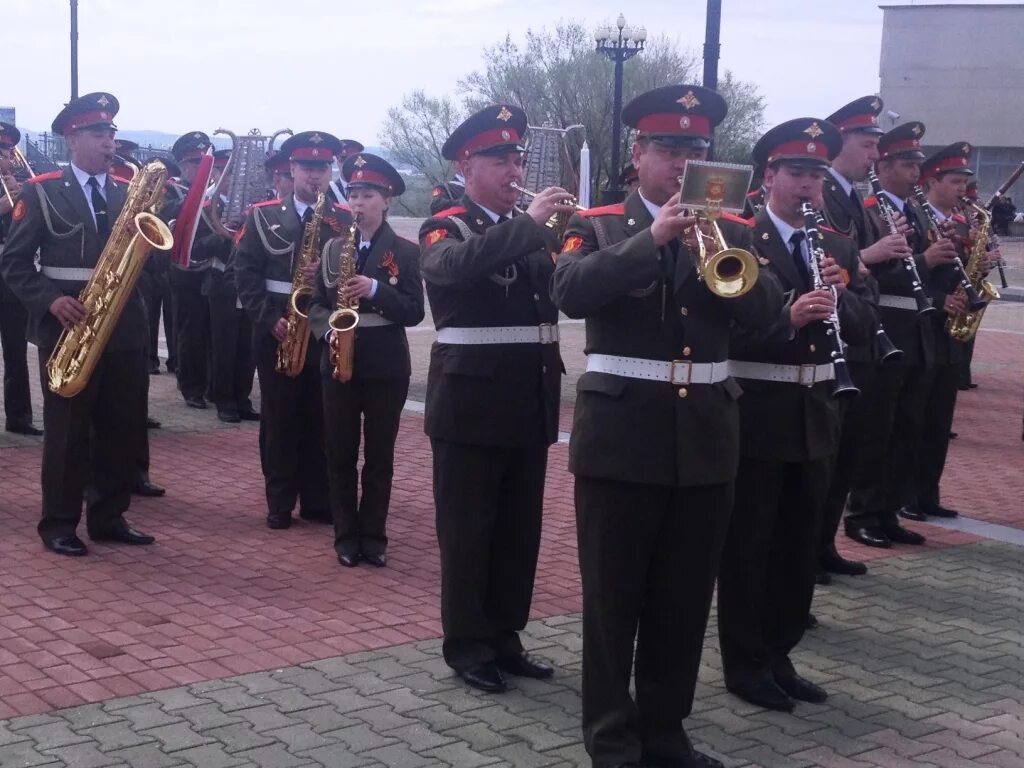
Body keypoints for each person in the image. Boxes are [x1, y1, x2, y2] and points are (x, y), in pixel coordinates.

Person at [552, 85, 784, 768]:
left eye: (695, 150)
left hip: (707, 436)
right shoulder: (598, 223)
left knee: (683, 601)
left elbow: (767, 315)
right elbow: (568, 291)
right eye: (669, 150)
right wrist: (652, 241)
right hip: (622, 436)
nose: (683, 163)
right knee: (613, 602)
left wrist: (723, 272)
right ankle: (611, 738)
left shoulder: (735, 230)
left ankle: (665, 731)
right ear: (639, 154)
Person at [717, 118, 875, 713]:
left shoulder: (835, 244)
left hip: (816, 413)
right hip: (757, 414)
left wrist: (840, 298)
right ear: (770, 177)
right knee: (749, 548)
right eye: (797, 173)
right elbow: (729, 327)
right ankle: (745, 663)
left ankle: (780, 654)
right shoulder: (740, 238)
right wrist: (789, 315)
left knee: (798, 545)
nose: (808, 185)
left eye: (815, 173)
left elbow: (864, 326)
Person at [419, 104, 570, 695]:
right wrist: (527, 225)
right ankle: (467, 645)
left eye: (516, 158)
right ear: (466, 165)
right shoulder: (447, 223)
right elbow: (451, 270)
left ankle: (507, 637)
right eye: (498, 159)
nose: (513, 169)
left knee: (517, 534)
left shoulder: (529, 230)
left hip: (529, 403)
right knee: (468, 533)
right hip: (470, 407)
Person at [0, 92, 156, 556]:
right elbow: (15, 264)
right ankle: (59, 523)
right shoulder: (42, 190)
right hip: (68, 324)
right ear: (72, 138)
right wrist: (50, 302)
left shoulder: (130, 192)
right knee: (67, 430)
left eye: (110, 134)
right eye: (97, 134)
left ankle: (109, 516)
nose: (109, 143)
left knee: (120, 426)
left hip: (124, 326)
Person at [844, 122, 960, 549]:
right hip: (887, 328)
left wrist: (948, 260)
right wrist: (926, 260)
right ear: (887, 165)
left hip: (918, 331)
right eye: (908, 164)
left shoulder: (912, 212)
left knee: (908, 428)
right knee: (879, 428)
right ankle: (863, 513)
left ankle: (889, 510)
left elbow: (922, 274)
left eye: (917, 165)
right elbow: (875, 275)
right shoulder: (871, 208)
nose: (917, 173)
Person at [308, 153, 424, 568]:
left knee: (379, 455)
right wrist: (328, 331)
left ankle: (374, 536)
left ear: (386, 201)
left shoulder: (406, 253)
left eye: (367, 195)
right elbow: (315, 303)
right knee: (339, 451)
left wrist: (375, 289)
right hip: (338, 357)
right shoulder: (332, 247)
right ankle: (345, 535)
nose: (357, 203)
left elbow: (414, 311)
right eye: (353, 194)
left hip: (385, 362)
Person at [234, 131, 350, 529]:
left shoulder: (344, 219)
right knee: (280, 417)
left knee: (322, 416)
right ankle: (279, 501)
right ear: (292, 169)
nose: (315, 176)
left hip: (321, 328)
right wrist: (268, 319)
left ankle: (318, 500)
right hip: (276, 324)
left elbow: (354, 276)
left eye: (322, 168)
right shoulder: (262, 215)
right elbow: (244, 273)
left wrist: (328, 278)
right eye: (307, 168)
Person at [816, 95, 892, 578]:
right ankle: (810, 546)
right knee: (826, 456)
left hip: (857, 327)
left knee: (846, 452)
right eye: (867, 144)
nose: (874, 156)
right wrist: (876, 252)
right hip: (829, 332)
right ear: (840, 141)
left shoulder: (854, 196)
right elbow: (852, 259)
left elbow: (858, 267)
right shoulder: (827, 191)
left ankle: (822, 543)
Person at [905, 142, 987, 520]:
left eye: (963, 182)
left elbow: (961, 275)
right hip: (923, 326)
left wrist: (980, 265)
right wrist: (940, 301)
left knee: (940, 419)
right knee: (914, 419)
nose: (962, 190)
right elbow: (902, 277)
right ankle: (904, 496)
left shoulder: (959, 223)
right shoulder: (914, 217)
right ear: (932, 181)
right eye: (955, 181)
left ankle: (927, 492)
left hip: (951, 333)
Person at [201, 150, 258, 424]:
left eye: (234, 174)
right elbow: (196, 247)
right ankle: (224, 399)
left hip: (247, 287)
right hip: (222, 284)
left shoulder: (255, 209)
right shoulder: (207, 206)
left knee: (247, 347)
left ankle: (242, 398)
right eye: (226, 174)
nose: (231, 180)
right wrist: (225, 235)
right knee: (224, 346)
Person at [163, 131, 214, 408]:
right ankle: (192, 386)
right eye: (195, 163)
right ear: (182, 166)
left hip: (213, 270)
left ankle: (212, 383)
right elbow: (164, 215)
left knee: (213, 331)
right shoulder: (172, 191)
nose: (202, 169)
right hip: (186, 272)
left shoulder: (216, 194)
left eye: (205, 162)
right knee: (190, 330)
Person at [0, 121, 42, 436]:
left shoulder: (19, 185)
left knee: (15, 347)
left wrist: (20, 201)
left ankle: (19, 417)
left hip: (10, 275)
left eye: (7, 150)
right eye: (1, 150)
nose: (6, 157)